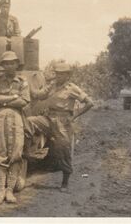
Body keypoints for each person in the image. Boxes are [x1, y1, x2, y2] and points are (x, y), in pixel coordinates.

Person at [27, 62, 93, 192]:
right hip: (48, 118)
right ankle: (27, 152)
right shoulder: (52, 86)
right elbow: (39, 95)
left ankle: (65, 182)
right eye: (57, 73)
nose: (59, 76)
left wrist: (74, 116)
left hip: (63, 121)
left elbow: (89, 103)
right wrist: (28, 85)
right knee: (29, 121)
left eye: (62, 74)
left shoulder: (72, 88)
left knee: (63, 149)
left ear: (68, 75)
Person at [0, 51, 30, 204]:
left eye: (12, 62)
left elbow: (24, 100)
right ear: (3, 65)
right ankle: (0, 190)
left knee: (16, 152)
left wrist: (3, 100)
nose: (9, 65)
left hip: (16, 117)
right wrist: (13, 97)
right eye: (6, 63)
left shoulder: (22, 81)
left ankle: (10, 190)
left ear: (17, 64)